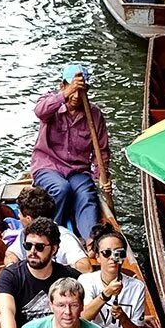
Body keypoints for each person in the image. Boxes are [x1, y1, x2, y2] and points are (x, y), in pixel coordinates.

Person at [0, 216, 79, 328]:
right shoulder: (10, 275)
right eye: (28, 246)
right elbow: (6, 310)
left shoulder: (69, 276)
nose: (32, 251)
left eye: (39, 247)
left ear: (54, 249)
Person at [31, 63, 111, 240]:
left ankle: (91, 241)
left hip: (77, 171)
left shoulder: (95, 115)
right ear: (63, 86)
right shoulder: (51, 103)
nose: (76, 96)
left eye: (81, 91)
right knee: (61, 189)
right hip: (48, 166)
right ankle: (50, 236)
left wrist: (102, 177)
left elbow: (102, 151)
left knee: (86, 195)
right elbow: (40, 111)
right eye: (72, 90)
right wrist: (65, 94)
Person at [78, 226, 148, 328]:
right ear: (97, 257)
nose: (112, 258)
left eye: (118, 253)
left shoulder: (137, 287)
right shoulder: (86, 280)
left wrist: (123, 318)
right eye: (106, 253)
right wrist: (106, 294)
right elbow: (83, 317)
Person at [3, 184, 89, 269]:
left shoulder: (65, 238)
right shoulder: (25, 234)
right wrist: (12, 268)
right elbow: (11, 253)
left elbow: (85, 267)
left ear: (28, 219)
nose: (18, 217)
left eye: (20, 214)